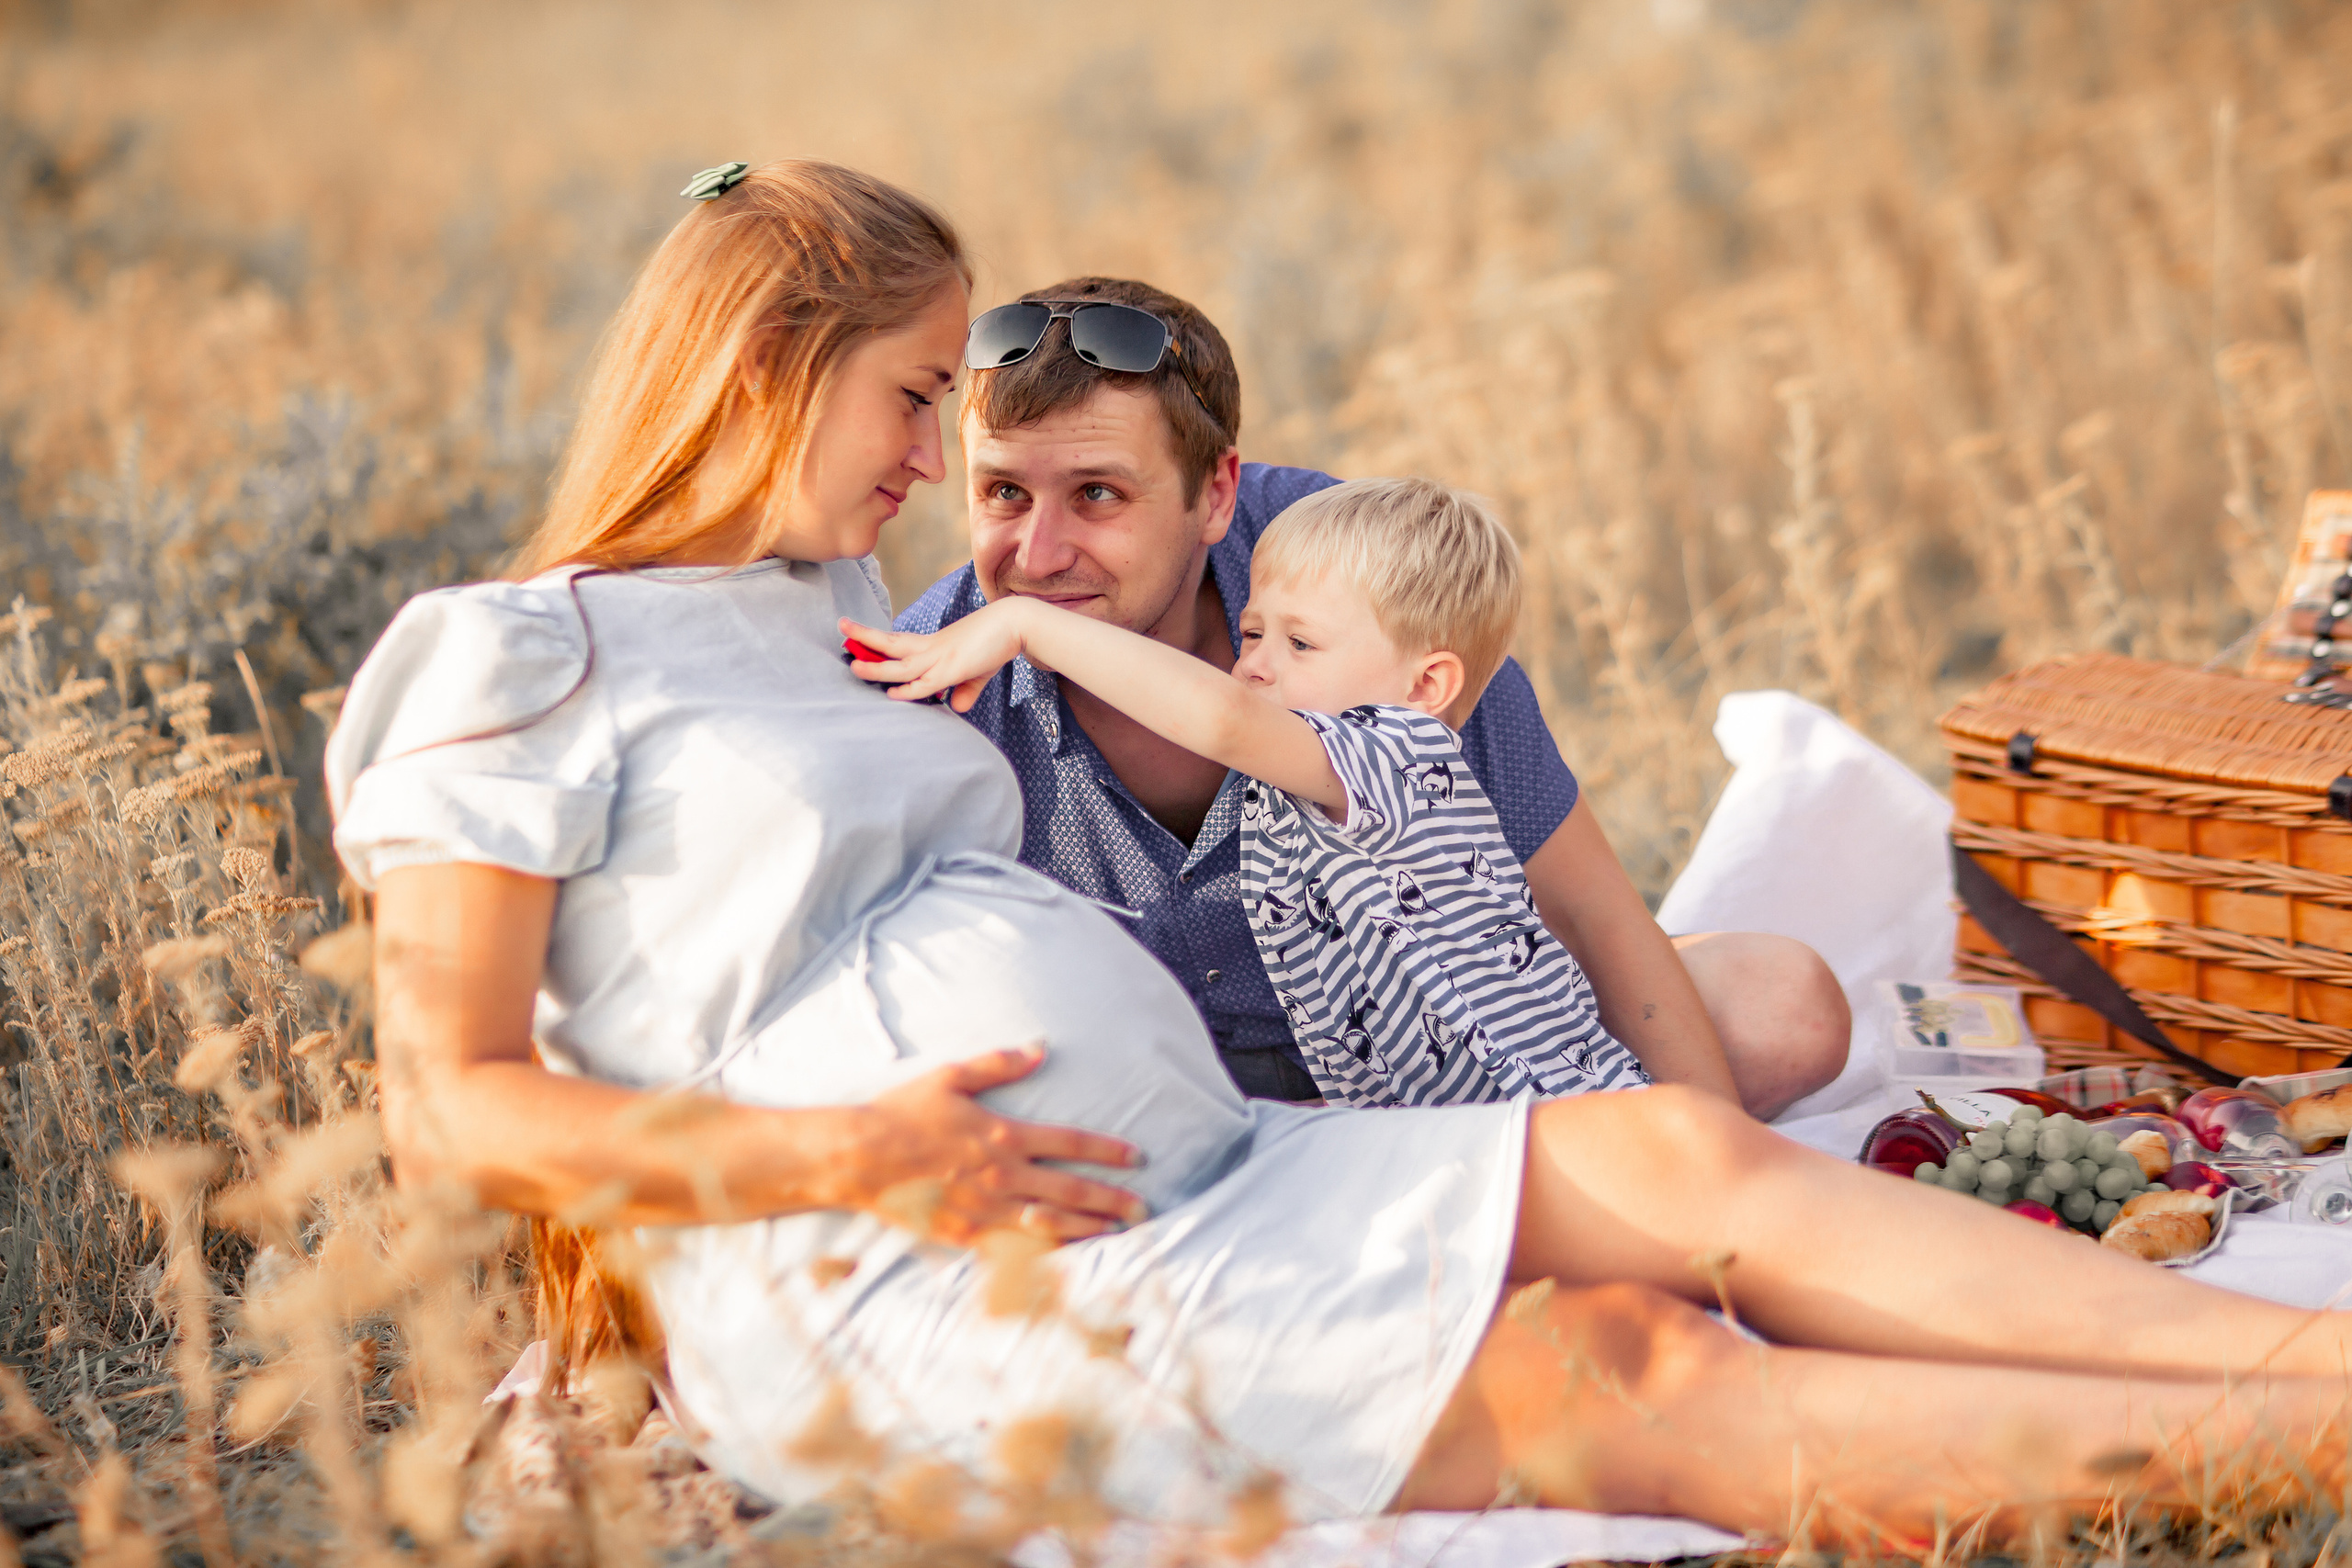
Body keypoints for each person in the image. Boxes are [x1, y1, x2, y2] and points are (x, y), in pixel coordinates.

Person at [337, 159, 2352, 1550]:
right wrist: (838, 1159)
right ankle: (2295, 1449)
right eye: (917, 396)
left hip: (1211, 1151)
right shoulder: (511, 654)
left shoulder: (838, 615)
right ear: (766, 363)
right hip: (933, 1258)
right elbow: (454, 1111)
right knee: (1619, 1365)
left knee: (1669, 1148)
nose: (936, 460)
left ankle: (2316, 1361)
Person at [895, 276, 1847, 1117]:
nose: (1039, 555)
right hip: (1155, 1095)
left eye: (1098, 494)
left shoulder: (1354, 578)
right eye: (1003, 494)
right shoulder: (936, 674)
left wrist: (1716, 1171)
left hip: (1424, 1048)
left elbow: (1588, 907)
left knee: (1781, 1008)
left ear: (1215, 495)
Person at [847, 475, 1649, 1107]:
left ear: (1424, 683)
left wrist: (1028, 626)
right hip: (1438, 1112)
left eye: (1301, 642)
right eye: (1255, 630)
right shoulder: (1313, 767)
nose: (1257, 661)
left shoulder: (1398, 754)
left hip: (1538, 1097)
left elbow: (1222, 717)